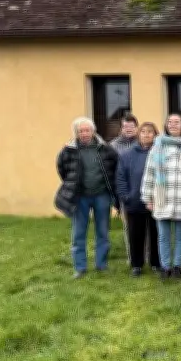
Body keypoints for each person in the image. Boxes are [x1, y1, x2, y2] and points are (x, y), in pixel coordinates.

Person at [141, 113, 181, 280]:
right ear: (166, 125)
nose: (173, 124)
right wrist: (148, 198)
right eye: (170, 122)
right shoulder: (158, 146)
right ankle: (165, 267)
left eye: (177, 122)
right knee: (163, 235)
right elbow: (149, 172)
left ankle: (177, 266)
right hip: (162, 198)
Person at [54, 117, 119, 279]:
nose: (84, 133)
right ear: (77, 133)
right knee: (78, 233)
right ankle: (80, 268)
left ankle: (101, 265)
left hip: (101, 195)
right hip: (80, 197)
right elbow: (62, 169)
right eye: (81, 131)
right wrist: (72, 185)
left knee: (103, 231)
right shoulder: (68, 150)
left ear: (93, 131)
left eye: (87, 130)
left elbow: (115, 166)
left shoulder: (105, 149)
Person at [115, 121, 161, 277]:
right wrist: (125, 197)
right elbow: (120, 178)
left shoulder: (160, 153)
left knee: (156, 234)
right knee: (135, 234)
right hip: (134, 201)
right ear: (138, 134)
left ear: (155, 135)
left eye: (150, 132)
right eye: (143, 132)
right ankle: (137, 265)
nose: (146, 134)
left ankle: (156, 263)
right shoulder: (127, 155)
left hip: (156, 202)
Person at [109, 113, 139, 265]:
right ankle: (132, 257)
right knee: (129, 228)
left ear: (136, 128)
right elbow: (112, 172)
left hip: (142, 192)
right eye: (125, 126)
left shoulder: (143, 143)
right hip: (124, 193)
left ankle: (146, 256)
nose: (128, 129)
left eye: (131, 126)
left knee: (146, 228)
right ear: (121, 128)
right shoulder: (113, 146)